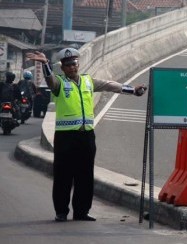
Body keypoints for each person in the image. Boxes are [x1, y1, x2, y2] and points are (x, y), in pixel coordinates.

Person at [26, 48, 147, 222]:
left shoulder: (88, 81)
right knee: (63, 176)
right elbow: (50, 81)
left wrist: (132, 90)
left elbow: (109, 85)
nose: (72, 68)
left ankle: (82, 212)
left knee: (85, 176)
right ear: (63, 67)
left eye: (74, 64)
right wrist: (45, 64)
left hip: (86, 137)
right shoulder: (60, 83)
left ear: (78, 64)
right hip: (65, 138)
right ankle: (61, 211)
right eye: (68, 65)